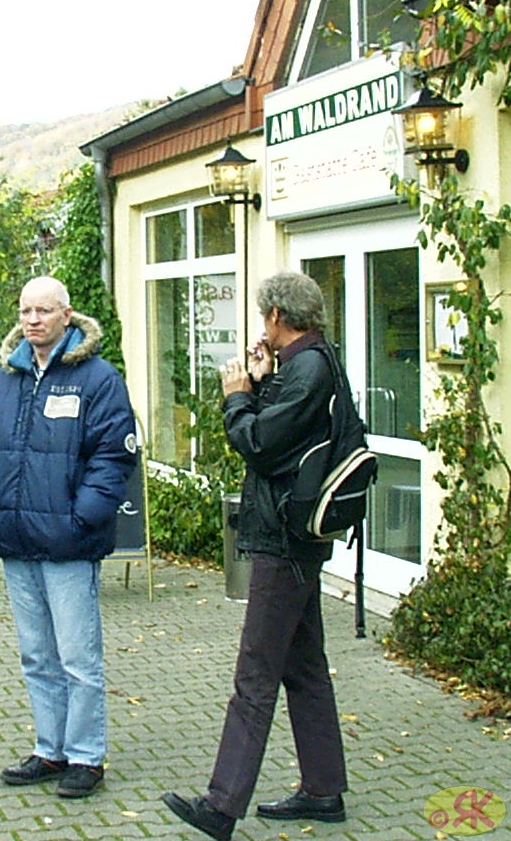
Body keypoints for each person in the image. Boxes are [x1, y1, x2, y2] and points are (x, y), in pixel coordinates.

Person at [163, 271, 349, 841]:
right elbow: (289, 437)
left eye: (261, 316)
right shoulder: (313, 362)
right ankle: (324, 790)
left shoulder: (309, 369)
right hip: (300, 539)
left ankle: (221, 806)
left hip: (284, 543)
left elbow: (261, 444)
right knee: (305, 665)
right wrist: (266, 383)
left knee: (257, 674)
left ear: (274, 316)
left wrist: (239, 395)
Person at [0, 276, 136, 799]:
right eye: (26, 310)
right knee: (37, 655)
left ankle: (86, 757)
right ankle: (50, 749)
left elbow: (115, 455)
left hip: (68, 542)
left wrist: (81, 517)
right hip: (15, 538)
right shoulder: (6, 379)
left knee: (77, 657)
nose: (33, 319)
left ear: (67, 316)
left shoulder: (98, 379)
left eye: (44, 310)